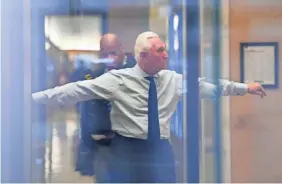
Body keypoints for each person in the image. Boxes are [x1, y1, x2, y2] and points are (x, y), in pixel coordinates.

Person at [32, 31, 266, 183]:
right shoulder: (118, 79)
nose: (166, 55)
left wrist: (244, 87)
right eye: (159, 51)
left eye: (165, 49)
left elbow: (208, 87)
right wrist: (32, 99)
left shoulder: (172, 80)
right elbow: (74, 90)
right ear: (143, 56)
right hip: (126, 151)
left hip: (160, 150)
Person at [71, 33, 136, 182]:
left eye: (113, 53)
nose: (110, 58)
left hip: (131, 148)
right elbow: (87, 116)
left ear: (122, 49)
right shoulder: (96, 77)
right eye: (105, 54)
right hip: (103, 146)